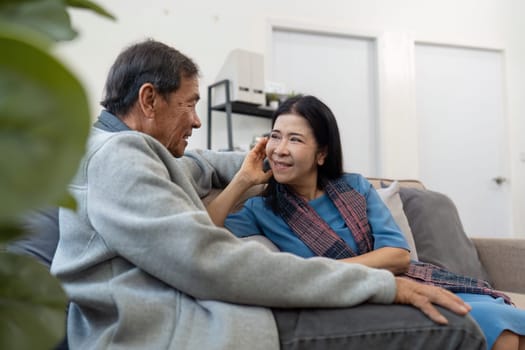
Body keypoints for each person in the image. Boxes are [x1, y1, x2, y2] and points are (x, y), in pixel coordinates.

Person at [51, 39, 486, 350]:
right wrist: (379, 285)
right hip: (169, 329)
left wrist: (266, 161)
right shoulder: (117, 158)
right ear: (149, 99)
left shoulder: (134, 152)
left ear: (321, 152)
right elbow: (212, 262)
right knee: (458, 330)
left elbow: (200, 165)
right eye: (188, 104)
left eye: (294, 140)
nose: (197, 121)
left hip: (202, 310)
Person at [209, 95, 525, 350]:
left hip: (408, 282)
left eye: (295, 139)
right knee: (499, 329)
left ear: (322, 154)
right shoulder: (261, 209)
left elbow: (398, 255)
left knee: (508, 319)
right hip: (358, 300)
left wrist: (332, 270)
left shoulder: (355, 187)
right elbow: (200, 235)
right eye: (275, 137)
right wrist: (241, 181)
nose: (279, 149)